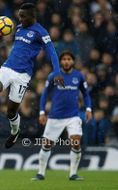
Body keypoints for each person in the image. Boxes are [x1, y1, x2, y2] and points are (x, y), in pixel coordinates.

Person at [0, 3, 65, 148]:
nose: (21, 19)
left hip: (23, 75)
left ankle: (15, 133)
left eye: (23, 16)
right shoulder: (17, 28)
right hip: (7, 68)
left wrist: (57, 72)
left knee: (10, 112)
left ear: (32, 16)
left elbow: (52, 52)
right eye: (19, 16)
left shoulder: (41, 32)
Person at [32, 51, 92, 181]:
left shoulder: (79, 76)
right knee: (47, 144)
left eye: (69, 59)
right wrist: (42, 112)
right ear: (60, 62)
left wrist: (88, 109)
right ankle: (40, 173)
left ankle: (73, 174)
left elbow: (86, 94)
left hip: (73, 116)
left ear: (73, 61)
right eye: (64, 59)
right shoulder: (54, 75)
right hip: (55, 116)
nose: (66, 61)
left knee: (76, 142)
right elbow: (44, 94)